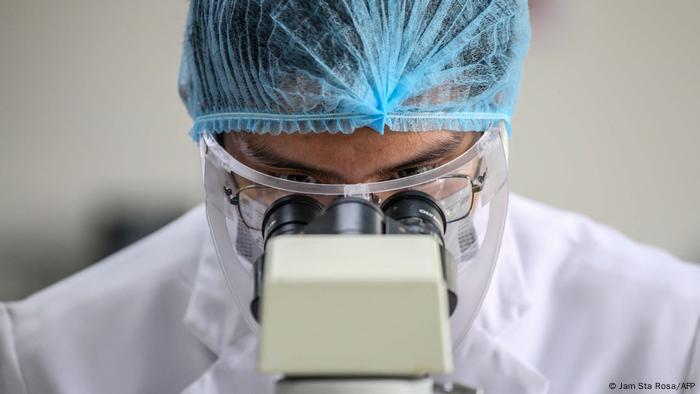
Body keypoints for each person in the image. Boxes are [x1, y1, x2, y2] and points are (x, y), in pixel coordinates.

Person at [1, 1, 699, 393]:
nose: (357, 231)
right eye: (296, 189)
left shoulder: (670, 335)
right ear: (219, 155)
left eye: (418, 186)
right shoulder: (48, 362)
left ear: (489, 144)